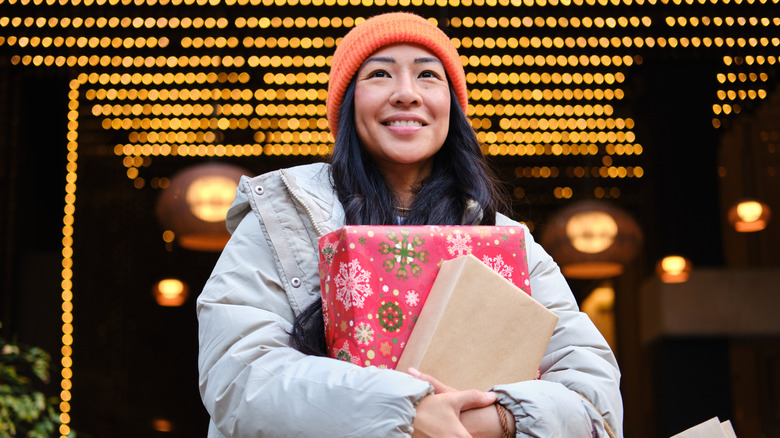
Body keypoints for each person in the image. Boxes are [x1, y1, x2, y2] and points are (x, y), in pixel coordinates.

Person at [197, 11, 623, 437]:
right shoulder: (280, 223)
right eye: (380, 73)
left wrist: (494, 420)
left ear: (452, 107)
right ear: (347, 104)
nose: (406, 93)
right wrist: (407, 415)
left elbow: (593, 398)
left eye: (428, 76)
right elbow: (239, 378)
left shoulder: (506, 241)